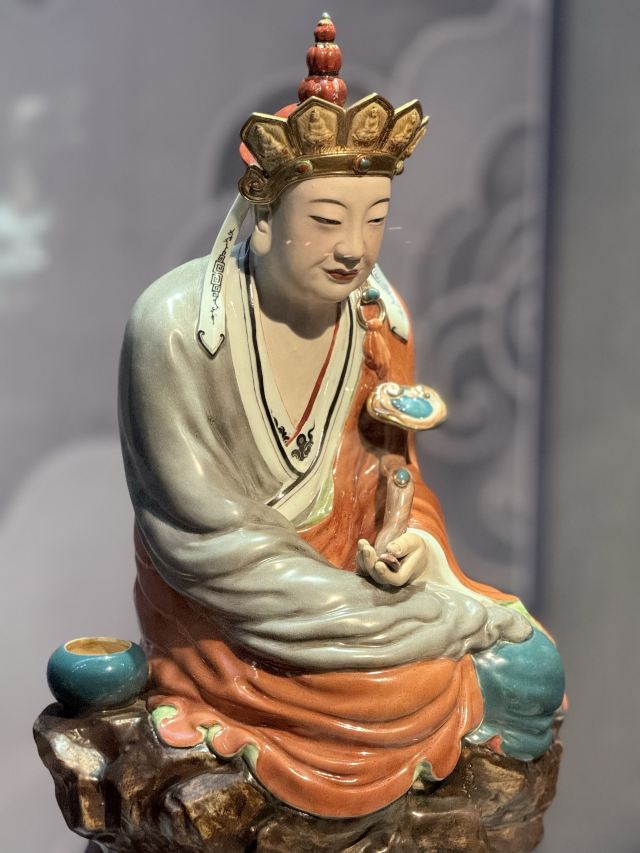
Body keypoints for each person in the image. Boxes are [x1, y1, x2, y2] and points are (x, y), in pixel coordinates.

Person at [118, 14, 564, 819]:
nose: (355, 247)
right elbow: (204, 542)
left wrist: (413, 550)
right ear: (265, 216)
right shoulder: (179, 327)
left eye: (376, 218)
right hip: (231, 628)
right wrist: (404, 618)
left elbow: (400, 485)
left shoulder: (378, 323)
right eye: (326, 219)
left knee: (532, 668)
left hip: (356, 603)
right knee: (412, 684)